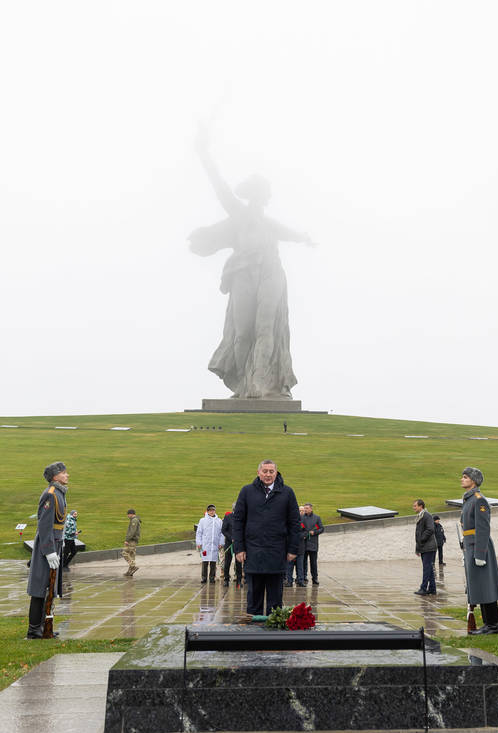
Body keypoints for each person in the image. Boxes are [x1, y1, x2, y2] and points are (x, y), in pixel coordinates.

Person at [189, 125, 314, 400]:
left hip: (271, 272)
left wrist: (304, 237)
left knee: (265, 327)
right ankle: (245, 385)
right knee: (242, 333)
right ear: (251, 195)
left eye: (263, 192)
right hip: (243, 273)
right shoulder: (239, 213)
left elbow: (288, 233)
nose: (260, 196)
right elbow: (218, 184)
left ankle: (259, 384)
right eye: (256, 192)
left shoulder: (269, 224)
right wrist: (203, 153)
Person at [232, 459, 301, 616]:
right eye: (265, 471)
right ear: (258, 473)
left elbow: (295, 523)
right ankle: (252, 634)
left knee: (275, 601)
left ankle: (273, 635)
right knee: (254, 599)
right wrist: (239, 548)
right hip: (253, 552)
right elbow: (238, 521)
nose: (268, 474)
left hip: (277, 552)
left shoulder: (287, 493)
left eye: (271, 471)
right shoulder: (247, 491)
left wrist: (293, 549)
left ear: (276, 473)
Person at [26, 462, 69, 639]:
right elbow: (44, 525)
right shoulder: (51, 495)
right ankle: (34, 628)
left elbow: (58, 523)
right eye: (64, 473)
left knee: (49, 588)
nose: (67, 475)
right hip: (47, 546)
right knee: (40, 588)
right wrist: (49, 551)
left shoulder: (59, 493)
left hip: (55, 543)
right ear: (55, 477)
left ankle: (44, 625)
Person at [460, 467, 498, 634]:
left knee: (486, 586)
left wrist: (479, 553)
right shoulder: (469, 499)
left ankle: (493, 625)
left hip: (480, 547)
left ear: (474, 480)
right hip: (471, 545)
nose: (462, 479)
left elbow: (483, 528)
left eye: (465, 477)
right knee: (479, 586)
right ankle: (488, 624)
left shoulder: (479, 500)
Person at [413, 499, 437, 596]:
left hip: (429, 547)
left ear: (421, 506)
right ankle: (432, 588)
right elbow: (418, 533)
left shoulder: (426, 516)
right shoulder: (421, 516)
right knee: (429, 568)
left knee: (427, 568)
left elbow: (430, 529)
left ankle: (423, 588)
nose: (413, 507)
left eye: (415, 506)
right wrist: (417, 548)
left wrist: (422, 539)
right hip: (424, 546)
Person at [196, 504, 224, 583]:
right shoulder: (202, 521)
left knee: (213, 562)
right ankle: (204, 577)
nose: (212, 512)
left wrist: (221, 542)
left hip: (214, 545)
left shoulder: (219, 521)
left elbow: (222, 533)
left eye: (213, 510)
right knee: (205, 562)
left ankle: (212, 577)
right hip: (205, 545)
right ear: (207, 511)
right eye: (210, 510)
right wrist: (199, 542)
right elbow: (199, 533)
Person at [301, 502, 323, 583]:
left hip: (313, 544)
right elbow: (299, 529)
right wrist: (304, 534)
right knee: (303, 562)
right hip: (303, 543)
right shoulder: (301, 518)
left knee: (313, 563)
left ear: (311, 508)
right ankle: (303, 577)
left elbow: (321, 529)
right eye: (304, 508)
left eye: (306, 508)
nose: (305, 510)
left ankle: (315, 578)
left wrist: (315, 532)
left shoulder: (317, 518)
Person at [288, 504, 308, 586]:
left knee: (300, 566)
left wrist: (301, 536)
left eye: (302, 510)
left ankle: (300, 580)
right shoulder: (290, 520)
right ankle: (289, 581)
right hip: (290, 547)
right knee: (289, 566)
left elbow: (306, 532)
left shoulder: (304, 521)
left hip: (300, 547)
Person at [123, 508, 141, 578]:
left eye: (128, 515)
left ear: (131, 514)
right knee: (131, 555)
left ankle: (133, 566)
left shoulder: (134, 520)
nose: (127, 516)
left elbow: (132, 531)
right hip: (134, 540)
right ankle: (129, 572)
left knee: (125, 553)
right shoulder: (135, 520)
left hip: (132, 540)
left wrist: (127, 540)